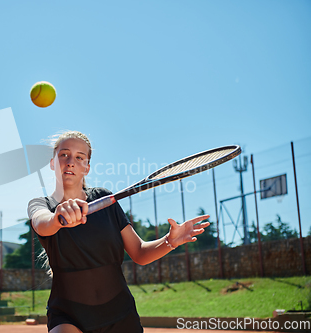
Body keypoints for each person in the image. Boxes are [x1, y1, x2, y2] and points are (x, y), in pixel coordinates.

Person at [27, 131, 210, 333]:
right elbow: (41, 222)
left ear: (86, 168)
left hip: (120, 315)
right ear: (52, 163)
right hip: (68, 316)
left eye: (79, 157)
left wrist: (170, 241)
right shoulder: (41, 205)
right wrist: (57, 218)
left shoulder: (105, 199)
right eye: (64, 154)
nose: (71, 162)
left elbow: (139, 252)